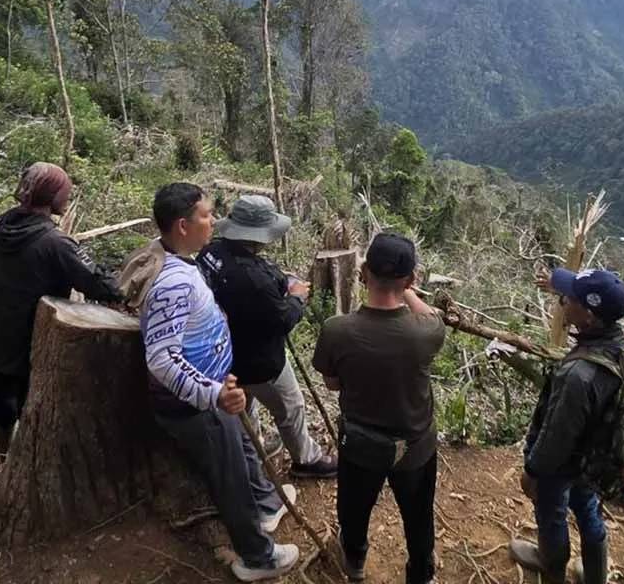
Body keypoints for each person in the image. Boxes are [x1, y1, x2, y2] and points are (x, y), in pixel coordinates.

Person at [141, 183, 299, 582]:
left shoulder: (182, 260)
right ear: (183, 225)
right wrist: (212, 394)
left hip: (217, 390)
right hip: (200, 405)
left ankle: (266, 503)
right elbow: (161, 357)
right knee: (229, 478)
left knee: (243, 450)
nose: (214, 221)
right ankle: (257, 558)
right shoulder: (173, 282)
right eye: (207, 215)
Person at [312, 233, 445, 583]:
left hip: (360, 446)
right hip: (415, 448)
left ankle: (355, 560)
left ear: (363, 273)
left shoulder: (336, 330)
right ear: (411, 279)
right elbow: (429, 313)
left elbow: (332, 384)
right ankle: (420, 573)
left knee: (354, 509)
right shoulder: (427, 332)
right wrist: (408, 291)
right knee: (418, 515)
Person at [0, 162, 123, 461]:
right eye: (65, 192)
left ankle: (4, 456)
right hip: (32, 342)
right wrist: (123, 289)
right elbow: (97, 283)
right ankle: (30, 463)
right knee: (33, 407)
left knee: (0, 403)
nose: (68, 198)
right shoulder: (55, 243)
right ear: (52, 196)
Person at [197, 195, 337, 479]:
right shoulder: (254, 281)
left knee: (245, 403)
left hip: (226, 355)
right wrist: (297, 297)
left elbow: (260, 279)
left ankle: (252, 448)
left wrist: (281, 282)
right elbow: (282, 320)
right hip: (260, 360)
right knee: (290, 406)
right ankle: (306, 459)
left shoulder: (211, 253)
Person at [510, 268, 624, 584]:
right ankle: (595, 574)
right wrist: (559, 284)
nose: (562, 300)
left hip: (563, 461)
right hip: (597, 454)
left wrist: (533, 470)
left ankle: (552, 567)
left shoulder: (578, 376)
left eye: (568, 298)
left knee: (551, 511)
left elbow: (557, 436)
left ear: (589, 316)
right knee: (588, 508)